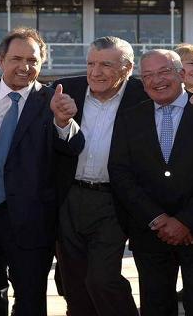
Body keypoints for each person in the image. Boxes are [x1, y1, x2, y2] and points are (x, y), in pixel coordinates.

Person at [0, 27, 83, 315]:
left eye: (33, 60)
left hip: (32, 219)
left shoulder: (54, 101)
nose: (25, 67)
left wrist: (64, 121)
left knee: (31, 299)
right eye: (16, 59)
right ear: (1, 61)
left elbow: (73, 147)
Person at [109, 49, 193, 316]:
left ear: (181, 74)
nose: (157, 80)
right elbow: (120, 172)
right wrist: (157, 219)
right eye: (148, 75)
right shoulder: (130, 117)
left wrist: (186, 221)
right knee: (155, 306)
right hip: (150, 232)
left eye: (164, 71)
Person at [52, 36, 145, 316]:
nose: (96, 72)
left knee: (102, 278)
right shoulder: (66, 90)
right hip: (70, 197)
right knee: (74, 282)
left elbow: (180, 98)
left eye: (106, 64)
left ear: (127, 69)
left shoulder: (142, 94)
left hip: (114, 200)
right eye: (91, 63)